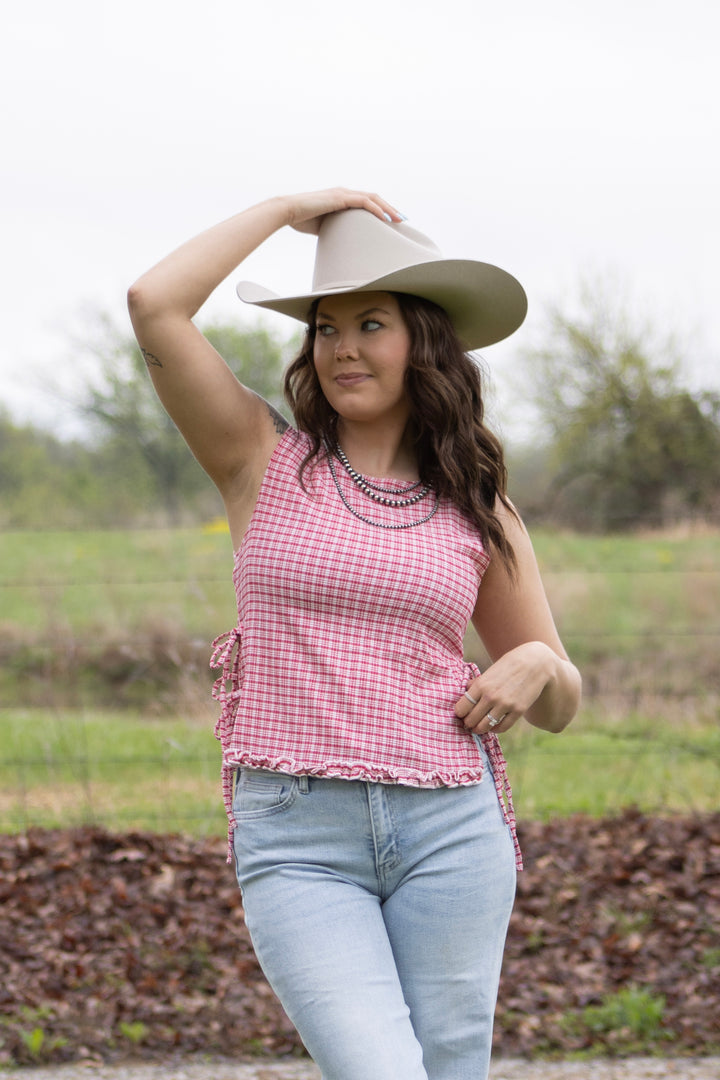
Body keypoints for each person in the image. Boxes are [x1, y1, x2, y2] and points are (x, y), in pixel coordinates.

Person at [127, 188, 581, 1080]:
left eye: (369, 323)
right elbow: (155, 303)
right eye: (325, 328)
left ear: (424, 341)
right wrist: (286, 207)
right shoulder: (260, 458)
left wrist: (534, 663)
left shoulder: (477, 505)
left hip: (452, 831)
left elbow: (562, 697)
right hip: (299, 838)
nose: (341, 347)